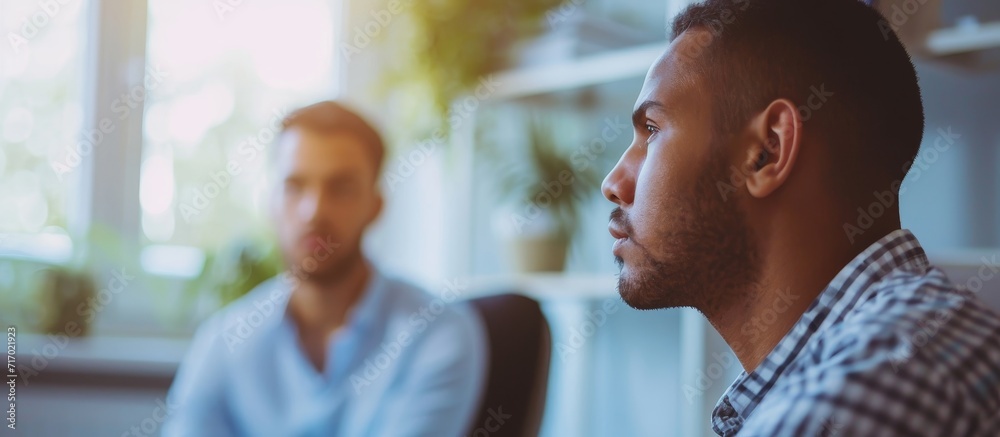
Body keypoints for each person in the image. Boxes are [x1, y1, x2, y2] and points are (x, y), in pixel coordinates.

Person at [600, 0, 1000, 435]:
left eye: (653, 130)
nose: (613, 182)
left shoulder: (864, 391)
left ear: (766, 152)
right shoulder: (924, 339)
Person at [163, 101, 487, 437]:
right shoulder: (224, 340)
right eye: (295, 186)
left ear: (375, 205)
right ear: (272, 201)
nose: (313, 211)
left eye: (341, 188)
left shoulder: (435, 335)